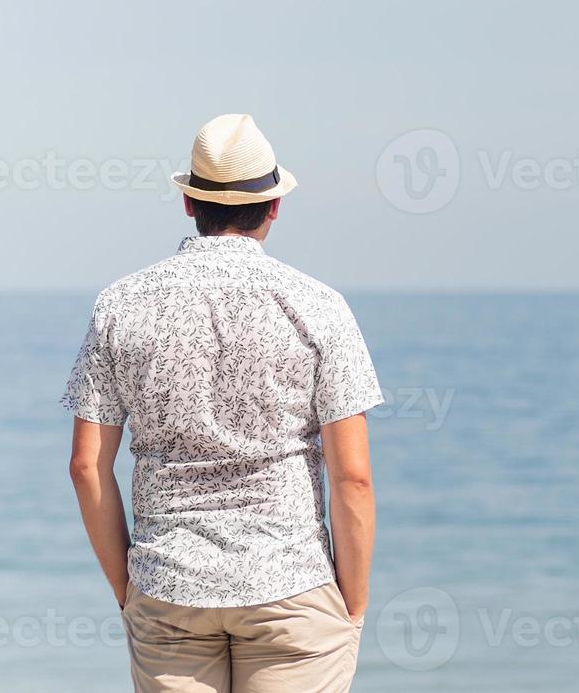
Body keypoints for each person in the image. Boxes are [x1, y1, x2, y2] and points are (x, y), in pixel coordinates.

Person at [63, 113, 383, 692]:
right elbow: (353, 478)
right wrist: (352, 607)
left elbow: (87, 467)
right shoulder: (319, 307)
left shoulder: (121, 305)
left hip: (168, 588)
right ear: (274, 207)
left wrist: (128, 588)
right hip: (290, 586)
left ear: (189, 203)